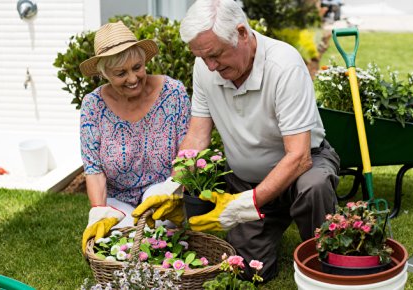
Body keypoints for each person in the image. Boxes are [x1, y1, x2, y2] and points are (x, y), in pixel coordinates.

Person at [135, 0, 341, 281]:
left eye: (215, 55)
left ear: (242, 33)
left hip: (302, 169)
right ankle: (269, 226)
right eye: (202, 57)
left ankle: (323, 262)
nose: (209, 66)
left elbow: (299, 157)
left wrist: (239, 207)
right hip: (247, 179)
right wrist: (173, 186)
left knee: (314, 187)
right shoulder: (205, 66)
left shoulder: (284, 65)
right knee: (248, 271)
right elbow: (197, 135)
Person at [79, 21, 191, 253]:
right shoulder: (93, 105)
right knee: (122, 242)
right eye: (121, 73)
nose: (132, 78)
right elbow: (94, 169)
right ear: (105, 74)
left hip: (162, 192)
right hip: (118, 199)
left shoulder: (173, 93)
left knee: (154, 235)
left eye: (137, 67)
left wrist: (171, 194)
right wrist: (100, 212)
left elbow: (187, 153)